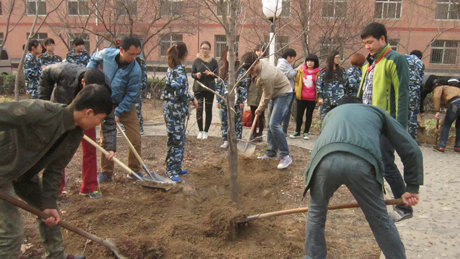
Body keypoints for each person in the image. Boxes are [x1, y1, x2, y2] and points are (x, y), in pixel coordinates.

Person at [0, 84, 112, 259]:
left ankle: (56, 256)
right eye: (100, 119)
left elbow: (55, 169)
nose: (99, 124)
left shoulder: (74, 135)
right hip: (2, 172)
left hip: (23, 176)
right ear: (88, 112)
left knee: (51, 215)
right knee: (12, 233)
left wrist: (49, 203)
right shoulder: (41, 111)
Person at [303, 100, 423, 259]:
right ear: (362, 104)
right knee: (380, 219)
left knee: (316, 212)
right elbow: (411, 148)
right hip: (361, 164)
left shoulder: (330, 115)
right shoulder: (376, 112)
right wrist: (412, 187)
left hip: (324, 161)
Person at [358, 22, 411, 222]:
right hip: (368, 123)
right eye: (365, 43)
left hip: (386, 124)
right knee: (371, 163)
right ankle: (377, 203)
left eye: (370, 42)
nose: (367, 47)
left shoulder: (395, 60)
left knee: (386, 164)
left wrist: (400, 128)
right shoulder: (369, 62)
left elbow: (402, 95)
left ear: (382, 39)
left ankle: (405, 207)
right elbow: (363, 92)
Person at [38, 63, 115, 198]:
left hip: (88, 116)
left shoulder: (105, 85)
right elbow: (46, 74)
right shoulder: (65, 72)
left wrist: (110, 146)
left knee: (90, 147)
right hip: (64, 110)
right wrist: (45, 104)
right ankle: (55, 191)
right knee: (57, 150)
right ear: (83, 82)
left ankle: (89, 187)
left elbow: (108, 117)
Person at [87, 36, 143, 183]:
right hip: (106, 103)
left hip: (125, 105)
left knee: (135, 139)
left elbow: (132, 94)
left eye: (137, 54)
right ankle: (106, 172)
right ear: (122, 50)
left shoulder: (136, 70)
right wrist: (91, 75)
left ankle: (135, 171)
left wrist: (118, 113)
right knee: (105, 140)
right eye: (131, 54)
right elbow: (93, 59)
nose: (134, 57)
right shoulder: (106, 55)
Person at [241, 51, 293, 169]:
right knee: (270, 126)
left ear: (257, 62)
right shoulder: (259, 64)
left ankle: (286, 156)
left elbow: (266, 95)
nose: (250, 72)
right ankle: (271, 154)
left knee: (274, 124)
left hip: (284, 93)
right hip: (275, 93)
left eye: (251, 68)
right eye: (247, 70)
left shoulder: (266, 75)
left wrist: (259, 109)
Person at [162, 42, 198, 182]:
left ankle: (176, 167)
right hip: (173, 111)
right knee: (175, 139)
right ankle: (171, 170)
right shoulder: (178, 70)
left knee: (179, 138)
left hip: (175, 110)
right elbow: (180, 92)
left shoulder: (174, 68)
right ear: (184, 54)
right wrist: (192, 98)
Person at [216, 47, 249, 149]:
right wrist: (218, 99)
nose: (230, 58)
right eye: (227, 56)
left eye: (232, 56)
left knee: (237, 122)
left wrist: (241, 100)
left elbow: (244, 86)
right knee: (224, 121)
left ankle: (236, 140)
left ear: (236, 57)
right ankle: (226, 139)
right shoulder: (222, 70)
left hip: (236, 101)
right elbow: (219, 85)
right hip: (224, 100)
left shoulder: (241, 71)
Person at [191, 41, 219, 140]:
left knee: (208, 110)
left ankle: (206, 131)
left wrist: (211, 74)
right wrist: (196, 75)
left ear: (210, 49)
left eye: (206, 48)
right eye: (203, 48)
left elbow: (217, 75)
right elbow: (192, 74)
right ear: (200, 49)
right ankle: (200, 131)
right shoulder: (196, 61)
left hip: (209, 88)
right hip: (198, 88)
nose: (204, 50)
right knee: (199, 109)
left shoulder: (213, 61)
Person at [290, 54, 320, 140]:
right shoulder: (301, 70)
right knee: (299, 114)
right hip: (301, 97)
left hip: (312, 98)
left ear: (315, 62)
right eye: (308, 61)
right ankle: (297, 131)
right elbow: (297, 82)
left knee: (309, 115)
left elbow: (319, 84)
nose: (309, 63)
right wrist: (296, 90)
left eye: (311, 61)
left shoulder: (318, 72)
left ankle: (306, 132)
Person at [316, 50, 348, 120]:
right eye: (337, 58)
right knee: (325, 119)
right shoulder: (324, 71)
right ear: (332, 58)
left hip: (339, 100)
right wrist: (320, 97)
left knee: (337, 120)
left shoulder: (342, 71)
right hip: (326, 100)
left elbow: (345, 84)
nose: (338, 59)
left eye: (339, 58)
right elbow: (319, 85)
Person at [247, 44, 267, 140]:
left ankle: (260, 133)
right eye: (258, 50)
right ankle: (253, 132)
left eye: (261, 50)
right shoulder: (251, 63)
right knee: (252, 112)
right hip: (252, 91)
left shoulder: (265, 64)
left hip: (261, 91)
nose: (259, 52)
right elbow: (247, 79)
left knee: (261, 114)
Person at [432, 83, 460, 152]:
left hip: (455, 103)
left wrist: (437, 111)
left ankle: (441, 145)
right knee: (459, 125)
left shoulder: (439, 88)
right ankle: (458, 146)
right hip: (457, 102)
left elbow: (436, 97)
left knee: (446, 124)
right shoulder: (454, 89)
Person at [276, 48, 297, 135]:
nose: (293, 60)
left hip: (289, 90)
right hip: (284, 91)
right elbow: (289, 75)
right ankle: (279, 129)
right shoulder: (282, 64)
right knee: (284, 111)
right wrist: (297, 70)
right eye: (293, 58)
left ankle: (284, 130)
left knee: (287, 111)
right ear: (289, 57)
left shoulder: (287, 64)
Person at [405, 50, 425, 140]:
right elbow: (420, 81)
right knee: (412, 116)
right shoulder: (420, 62)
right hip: (413, 94)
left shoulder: (402, 58)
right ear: (420, 57)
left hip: (400, 91)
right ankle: (411, 139)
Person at [136, 56, 148, 135]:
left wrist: (141, 87)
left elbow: (144, 78)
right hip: (128, 89)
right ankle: (124, 126)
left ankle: (140, 126)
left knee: (137, 109)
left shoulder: (141, 63)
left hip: (137, 89)